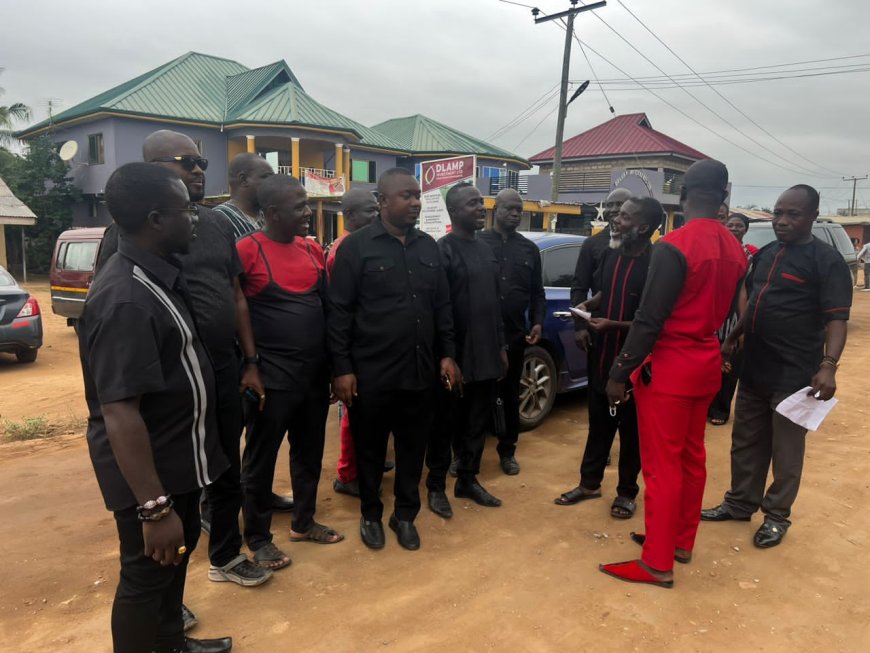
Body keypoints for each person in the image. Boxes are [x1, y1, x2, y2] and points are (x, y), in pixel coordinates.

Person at [97, 130, 272, 596]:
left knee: (223, 465)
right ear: (152, 171)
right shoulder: (124, 235)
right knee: (171, 480)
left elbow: (236, 294)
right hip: (162, 381)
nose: (197, 170)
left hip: (219, 367)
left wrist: (249, 360)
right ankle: (165, 596)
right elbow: (109, 326)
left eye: (200, 163)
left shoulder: (212, 223)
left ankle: (226, 555)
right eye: (183, 162)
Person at [80, 162, 232, 653]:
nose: (195, 219)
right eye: (185, 210)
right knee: (146, 578)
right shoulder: (127, 297)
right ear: (155, 220)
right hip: (152, 478)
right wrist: (153, 507)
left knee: (175, 560)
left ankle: (173, 644)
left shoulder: (157, 276)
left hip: (177, 462)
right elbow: (120, 412)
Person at [599, 159, 748, 588]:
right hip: (705, 361)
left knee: (662, 468)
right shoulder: (735, 247)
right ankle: (679, 541)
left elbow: (649, 319)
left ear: (682, 196)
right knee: (691, 458)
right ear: (723, 196)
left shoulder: (674, 245)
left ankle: (656, 562)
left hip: (670, 367)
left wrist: (619, 373)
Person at [701, 185, 852, 548]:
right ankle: (739, 503)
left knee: (785, 451)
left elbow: (837, 320)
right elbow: (753, 303)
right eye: (778, 213)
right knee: (746, 441)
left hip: (795, 374)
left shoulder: (825, 261)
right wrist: (733, 336)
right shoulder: (767, 254)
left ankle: (776, 516)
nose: (782, 221)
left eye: (793, 214)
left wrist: (828, 365)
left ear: (813, 216)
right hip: (755, 367)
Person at [329, 168, 459, 550]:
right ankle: (370, 514)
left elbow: (443, 306)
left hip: (420, 373)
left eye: (417, 195)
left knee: (411, 450)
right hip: (371, 374)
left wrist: (448, 354)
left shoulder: (429, 248)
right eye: (406, 195)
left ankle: (405, 515)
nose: (415, 202)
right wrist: (342, 369)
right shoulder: (356, 247)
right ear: (382, 202)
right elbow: (339, 314)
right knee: (369, 450)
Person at [237, 175, 343, 570]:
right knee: (260, 460)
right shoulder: (247, 251)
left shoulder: (312, 250)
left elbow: (328, 309)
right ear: (273, 212)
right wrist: (250, 365)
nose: (307, 213)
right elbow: (237, 307)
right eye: (299, 207)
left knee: (309, 452)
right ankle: (259, 539)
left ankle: (303, 521)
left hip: (313, 376)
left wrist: (334, 367)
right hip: (271, 378)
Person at [554, 197, 662, 519]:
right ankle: (589, 483)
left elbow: (653, 321)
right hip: (602, 355)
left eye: (625, 217)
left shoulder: (656, 264)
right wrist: (589, 305)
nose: (615, 219)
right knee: (598, 423)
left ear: (642, 227)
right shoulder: (613, 254)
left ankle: (627, 493)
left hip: (634, 362)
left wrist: (612, 324)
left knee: (631, 432)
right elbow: (609, 292)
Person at [426, 182, 508, 516]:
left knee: (477, 421)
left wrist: (501, 346)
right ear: (455, 211)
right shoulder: (442, 251)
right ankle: (435, 487)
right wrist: (446, 355)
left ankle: (468, 479)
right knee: (444, 424)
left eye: (481, 202)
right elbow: (438, 308)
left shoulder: (486, 248)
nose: (481, 208)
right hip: (456, 354)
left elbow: (495, 303)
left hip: (487, 351)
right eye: (474, 204)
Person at [479, 188, 546, 476]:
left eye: (520, 210)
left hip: (516, 336)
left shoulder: (528, 249)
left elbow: (537, 292)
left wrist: (538, 321)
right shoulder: (478, 243)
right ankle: (466, 454)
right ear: (497, 209)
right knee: (476, 397)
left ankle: (508, 452)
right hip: (480, 338)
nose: (516, 214)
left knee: (509, 396)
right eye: (510, 209)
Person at [328, 188, 380, 498]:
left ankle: (363, 463)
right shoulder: (345, 249)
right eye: (369, 212)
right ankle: (347, 475)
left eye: (377, 210)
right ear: (350, 216)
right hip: (353, 348)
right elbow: (340, 309)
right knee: (352, 415)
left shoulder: (362, 243)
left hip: (367, 346)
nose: (375, 216)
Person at [708, 212, 758, 426]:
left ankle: (721, 408)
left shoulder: (752, 256)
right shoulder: (715, 252)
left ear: (746, 229)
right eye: (730, 225)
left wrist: (744, 323)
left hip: (736, 315)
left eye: (739, 225)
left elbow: (749, 290)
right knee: (710, 362)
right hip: (713, 312)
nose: (734, 228)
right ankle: (706, 405)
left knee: (731, 363)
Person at [570, 187, 632, 308]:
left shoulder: (641, 244)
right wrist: (581, 324)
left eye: (620, 204)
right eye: (609, 205)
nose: (614, 209)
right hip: (598, 321)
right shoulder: (592, 244)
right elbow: (579, 288)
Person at [212, 153, 275, 239]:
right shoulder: (217, 220)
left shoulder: (267, 217)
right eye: (266, 177)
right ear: (243, 179)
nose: (272, 183)